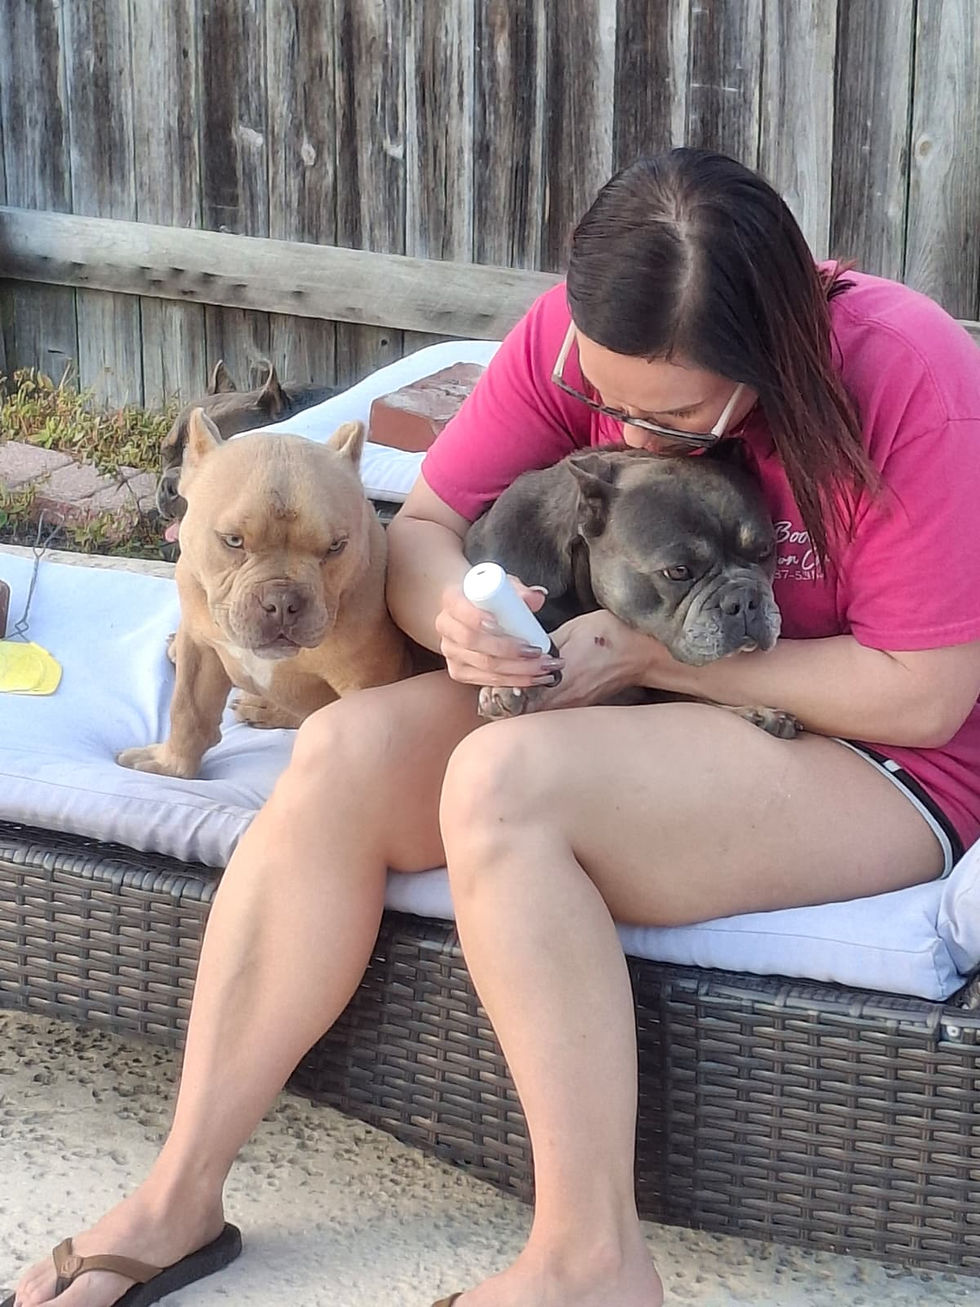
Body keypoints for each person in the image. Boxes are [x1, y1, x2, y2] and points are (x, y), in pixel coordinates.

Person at [8, 147, 980, 1307]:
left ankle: (589, 1261)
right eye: (604, 395)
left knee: (504, 781)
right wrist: (452, 621)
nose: (617, 423)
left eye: (663, 415)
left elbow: (924, 693)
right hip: (638, 707)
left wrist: (658, 658)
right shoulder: (582, 345)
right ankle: (179, 1193)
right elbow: (423, 524)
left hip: (873, 753)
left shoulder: (907, 368)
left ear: (769, 354)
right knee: (343, 750)